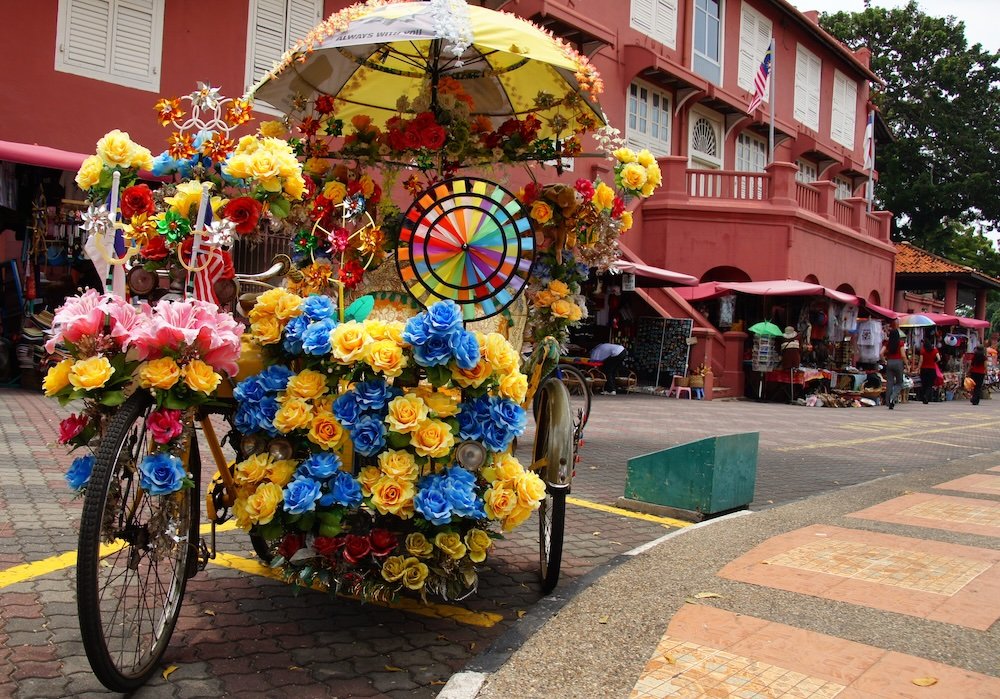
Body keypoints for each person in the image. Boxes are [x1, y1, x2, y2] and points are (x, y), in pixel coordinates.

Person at [882, 319, 904, 409]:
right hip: (898, 362)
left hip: (889, 362)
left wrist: (884, 361)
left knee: (889, 382)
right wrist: (907, 364)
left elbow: (881, 353)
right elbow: (903, 355)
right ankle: (892, 398)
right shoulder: (900, 343)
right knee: (899, 383)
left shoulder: (888, 343)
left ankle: (887, 402)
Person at [918, 336, 940, 404]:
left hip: (924, 369)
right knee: (930, 385)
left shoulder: (923, 350)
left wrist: (918, 368)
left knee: (924, 384)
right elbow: (939, 358)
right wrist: (934, 362)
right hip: (932, 369)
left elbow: (921, 361)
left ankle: (923, 396)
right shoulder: (935, 350)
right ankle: (926, 396)